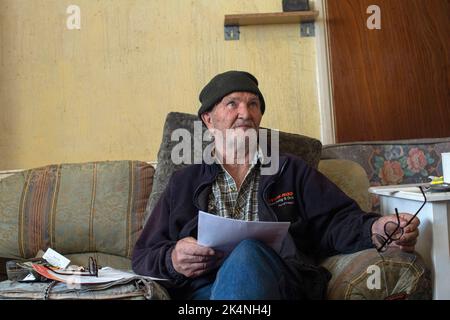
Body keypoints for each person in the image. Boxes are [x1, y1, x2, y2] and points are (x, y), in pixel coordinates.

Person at [132, 70, 420, 300]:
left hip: (280, 282)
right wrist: (173, 259)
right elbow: (144, 255)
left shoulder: (289, 170)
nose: (245, 113)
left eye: (253, 104)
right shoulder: (184, 182)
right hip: (204, 290)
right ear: (209, 120)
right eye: (232, 103)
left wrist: (376, 228)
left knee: (247, 252)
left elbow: (336, 220)